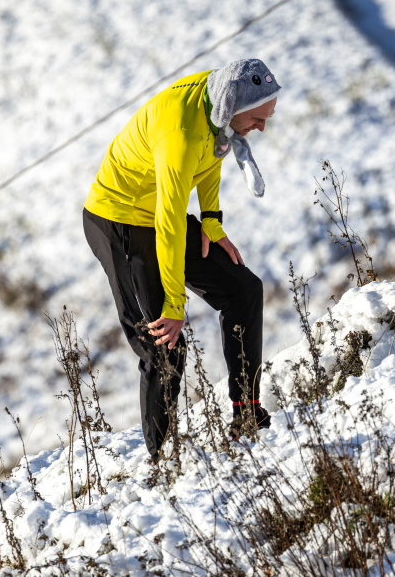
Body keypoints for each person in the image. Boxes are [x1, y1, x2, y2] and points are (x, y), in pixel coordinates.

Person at [83, 58, 280, 461]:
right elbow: (169, 223)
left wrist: (212, 221)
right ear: (235, 107)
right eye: (258, 119)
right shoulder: (180, 133)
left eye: (267, 118)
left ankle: (246, 413)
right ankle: (164, 461)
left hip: (158, 213)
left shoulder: (216, 104)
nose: (262, 128)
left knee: (244, 289)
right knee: (164, 346)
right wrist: (174, 305)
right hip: (118, 221)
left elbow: (211, 156)